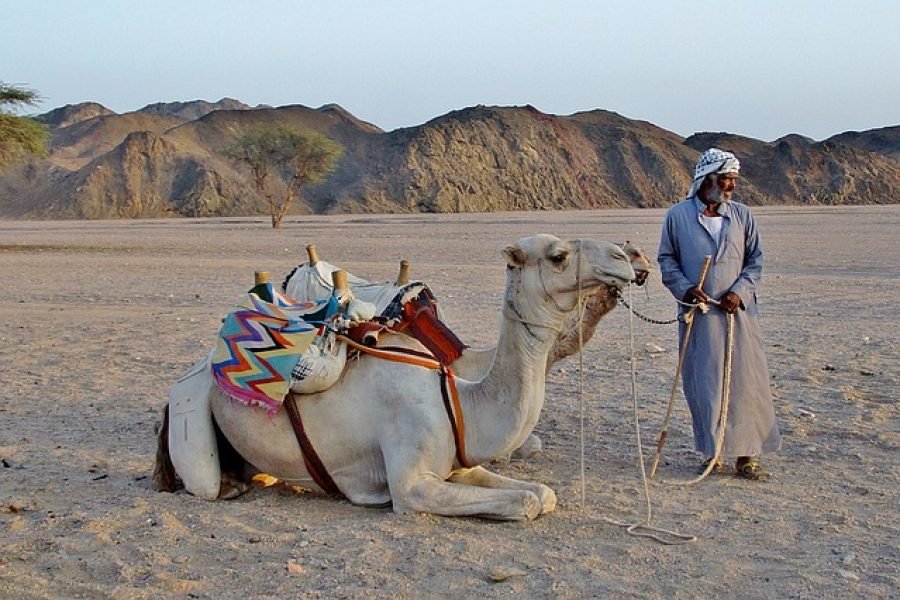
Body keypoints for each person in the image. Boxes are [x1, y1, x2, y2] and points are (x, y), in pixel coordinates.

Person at [657, 148, 781, 480]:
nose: (731, 187)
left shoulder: (742, 215)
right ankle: (713, 453)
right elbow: (666, 261)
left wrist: (738, 292)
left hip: (739, 315)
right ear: (708, 179)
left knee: (746, 384)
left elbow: (755, 260)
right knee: (706, 385)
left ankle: (747, 456)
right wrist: (685, 288)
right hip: (699, 316)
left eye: (734, 180)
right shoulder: (678, 216)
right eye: (727, 179)